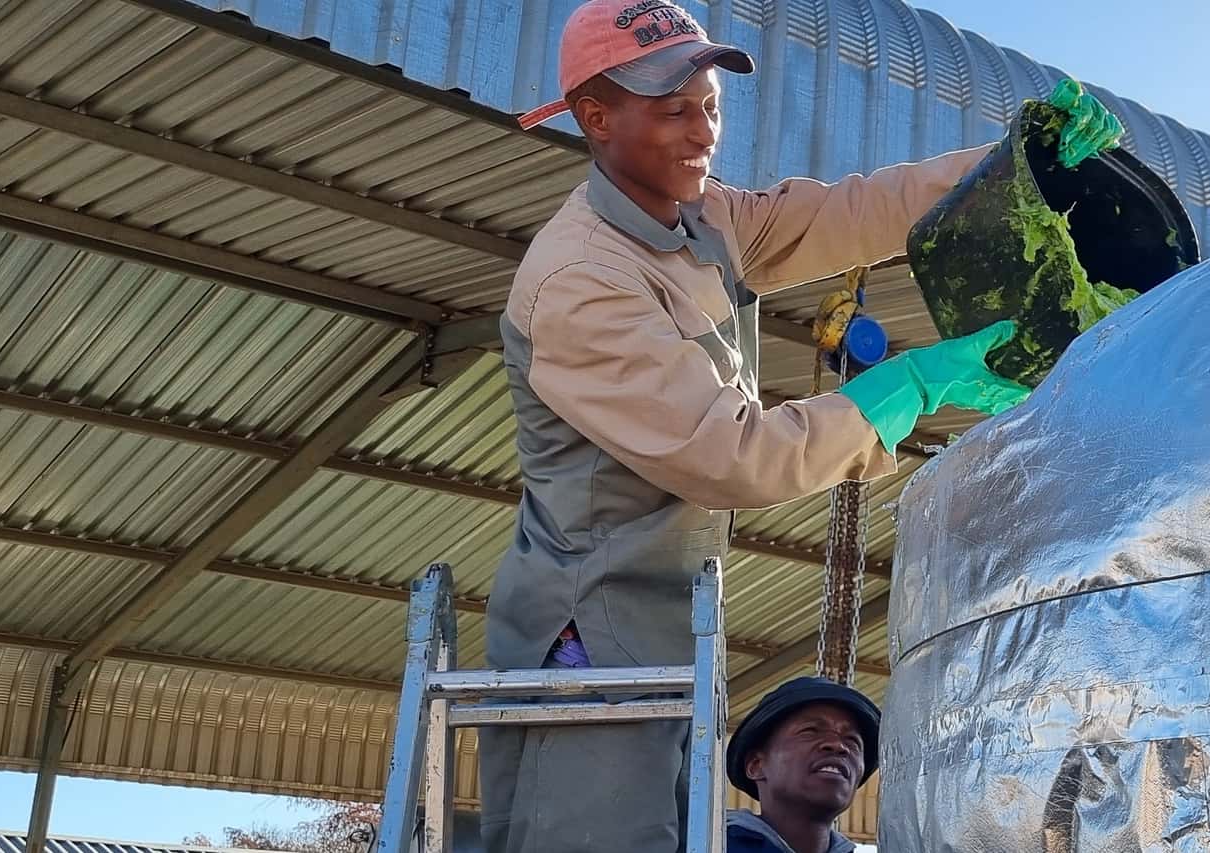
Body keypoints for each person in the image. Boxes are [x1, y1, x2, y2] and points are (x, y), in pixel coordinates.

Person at [481, 1, 1124, 851]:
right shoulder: (580, 278)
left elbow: (852, 212)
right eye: (672, 109)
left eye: (709, 105)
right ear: (595, 119)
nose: (700, 130)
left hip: (672, 610)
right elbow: (734, 456)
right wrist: (915, 383)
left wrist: (1016, 169)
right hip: (591, 629)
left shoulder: (707, 220)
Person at [724, 678, 881, 853]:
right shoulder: (710, 846)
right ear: (756, 765)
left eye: (852, 740)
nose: (839, 745)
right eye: (810, 731)